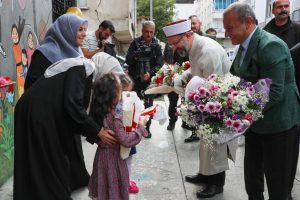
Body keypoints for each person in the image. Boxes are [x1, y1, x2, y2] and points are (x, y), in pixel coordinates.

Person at [22, 13, 115, 193]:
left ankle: (72, 181)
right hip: (47, 114)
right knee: (51, 157)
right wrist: (95, 130)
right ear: (66, 30)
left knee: (70, 146)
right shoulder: (46, 53)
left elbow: (76, 97)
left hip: (65, 113)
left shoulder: (75, 53)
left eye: (84, 30)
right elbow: (32, 86)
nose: (83, 34)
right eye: (79, 30)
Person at [223, 3, 300, 200]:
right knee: (252, 176)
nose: (226, 33)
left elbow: (274, 92)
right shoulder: (244, 45)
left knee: (278, 183)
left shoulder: (269, 45)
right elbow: (235, 77)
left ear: (248, 22)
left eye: (229, 27)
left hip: (279, 122)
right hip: (256, 122)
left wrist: (241, 113)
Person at [163, 19, 237, 198]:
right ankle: (205, 175)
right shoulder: (193, 46)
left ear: (188, 35)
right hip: (205, 102)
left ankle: (216, 184)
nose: (174, 48)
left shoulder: (208, 50)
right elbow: (197, 71)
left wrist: (188, 105)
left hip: (217, 103)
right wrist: (179, 77)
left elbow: (213, 87)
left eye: (175, 43)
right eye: (171, 44)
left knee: (215, 144)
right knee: (205, 144)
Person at [88, 73, 147, 200]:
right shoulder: (116, 115)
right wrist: (141, 127)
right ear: (113, 94)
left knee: (104, 190)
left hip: (101, 158)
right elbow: (126, 140)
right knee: (114, 191)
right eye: (121, 90)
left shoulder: (100, 110)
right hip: (114, 160)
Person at [264, 2, 300, 198]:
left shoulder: (298, 29)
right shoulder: (266, 31)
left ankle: (286, 189)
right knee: (273, 147)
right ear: (273, 10)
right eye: (279, 6)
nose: (284, 9)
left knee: (291, 147)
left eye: (286, 5)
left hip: (294, 94)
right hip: (271, 94)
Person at [126, 20, 163, 138]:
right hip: (135, 80)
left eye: (151, 32)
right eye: (146, 32)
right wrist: (135, 55)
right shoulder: (135, 43)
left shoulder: (156, 45)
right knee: (131, 104)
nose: (149, 34)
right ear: (142, 31)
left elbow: (159, 64)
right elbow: (128, 61)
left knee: (149, 105)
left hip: (149, 81)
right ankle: (131, 127)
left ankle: (147, 128)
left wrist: (151, 73)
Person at [163, 43, 189, 132]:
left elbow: (187, 61)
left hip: (183, 77)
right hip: (171, 78)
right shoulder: (168, 45)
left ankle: (185, 121)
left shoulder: (183, 44)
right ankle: (172, 121)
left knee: (184, 101)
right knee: (172, 101)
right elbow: (165, 60)